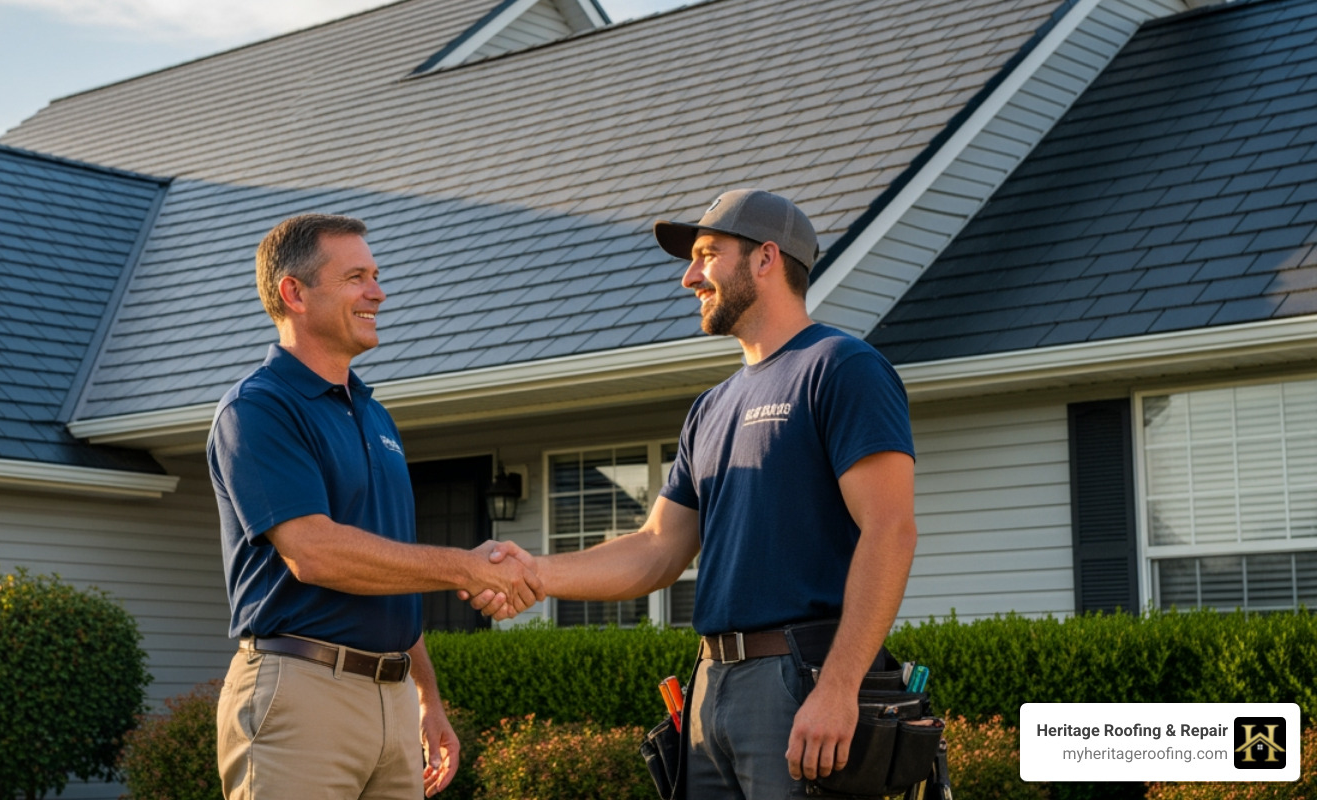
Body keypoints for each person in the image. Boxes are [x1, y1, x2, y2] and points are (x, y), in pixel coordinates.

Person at [473, 189, 918, 799]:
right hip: (712, 682)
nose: (689, 277)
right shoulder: (711, 408)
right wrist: (536, 573)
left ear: (766, 258)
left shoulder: (841, 367)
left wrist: (840, 687)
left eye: (708, 255)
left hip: (798, 677)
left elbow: (890, 530)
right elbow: (657, 549)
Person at [210, 213, 544, 800]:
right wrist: (465, 566)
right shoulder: (258, 410)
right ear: (295, 293)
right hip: (301, 694)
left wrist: (425, 697)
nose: (378, 292)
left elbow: (387, 571)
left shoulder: (372, 415)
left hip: (391, 699)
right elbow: (314, 553)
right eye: (356, 277)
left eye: (376, 275)